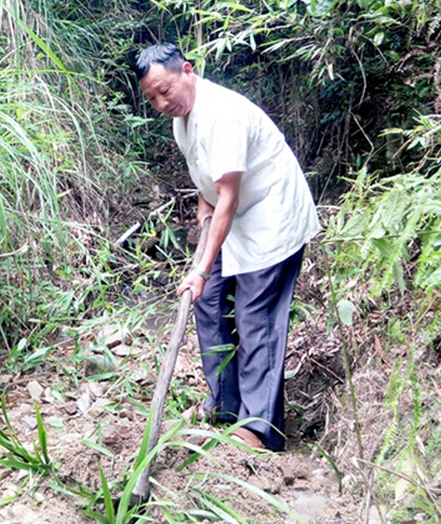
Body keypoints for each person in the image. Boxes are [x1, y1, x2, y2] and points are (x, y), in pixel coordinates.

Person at [135, 43, 319, 451]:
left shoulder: (221, 113)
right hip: (231, 219)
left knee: (255, 315)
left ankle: (258, 427)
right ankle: (225, 406)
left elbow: (228, 197)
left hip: (271, 217)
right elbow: (208, 185)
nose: (162, 102)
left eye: (166, 90)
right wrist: (203, 232)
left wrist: (200, 267)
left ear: (187, 70)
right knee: (208, 300)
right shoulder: (181, 121)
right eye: (152, 98)